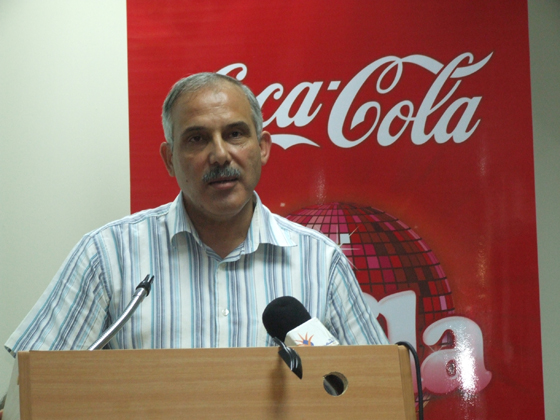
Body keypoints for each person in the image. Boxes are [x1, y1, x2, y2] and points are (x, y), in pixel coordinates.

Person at [4, 73, 388, 355]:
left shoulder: (320, 261)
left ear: (263, 148)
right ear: (170, 159)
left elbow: (376, 392)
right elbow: (35, 385)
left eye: (235, 134)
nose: (220, 155)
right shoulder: (108, 255)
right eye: (197, 139)